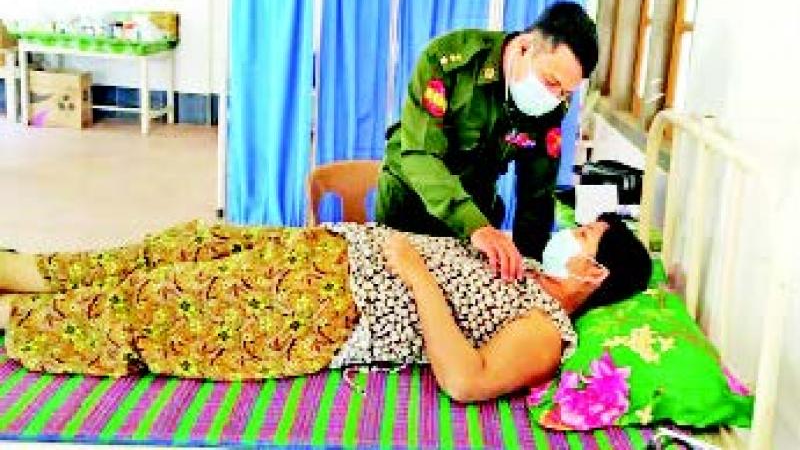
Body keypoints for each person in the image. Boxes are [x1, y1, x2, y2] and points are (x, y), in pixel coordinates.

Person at [0, 213, 650, 403]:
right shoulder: (527, 266)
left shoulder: (545, 329)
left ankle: (15, 318)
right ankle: (24, 271)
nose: (568, 231)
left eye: (582, 233)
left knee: (159, 303)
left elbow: (466, 380)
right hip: (324, 250)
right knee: (184, 244)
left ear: (593, 272)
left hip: (324, 306)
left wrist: (415, 273)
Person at [377, 1, 599, 282]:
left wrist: (530, 271)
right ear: (526, 45)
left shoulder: (551, 106)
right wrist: (474, 225)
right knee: (398, 291)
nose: (556, 97)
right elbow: (421, 155)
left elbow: (536, 195)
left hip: (476, 214)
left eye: (566, 92)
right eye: (551, 82)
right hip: (410, 204)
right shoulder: (449, 62)